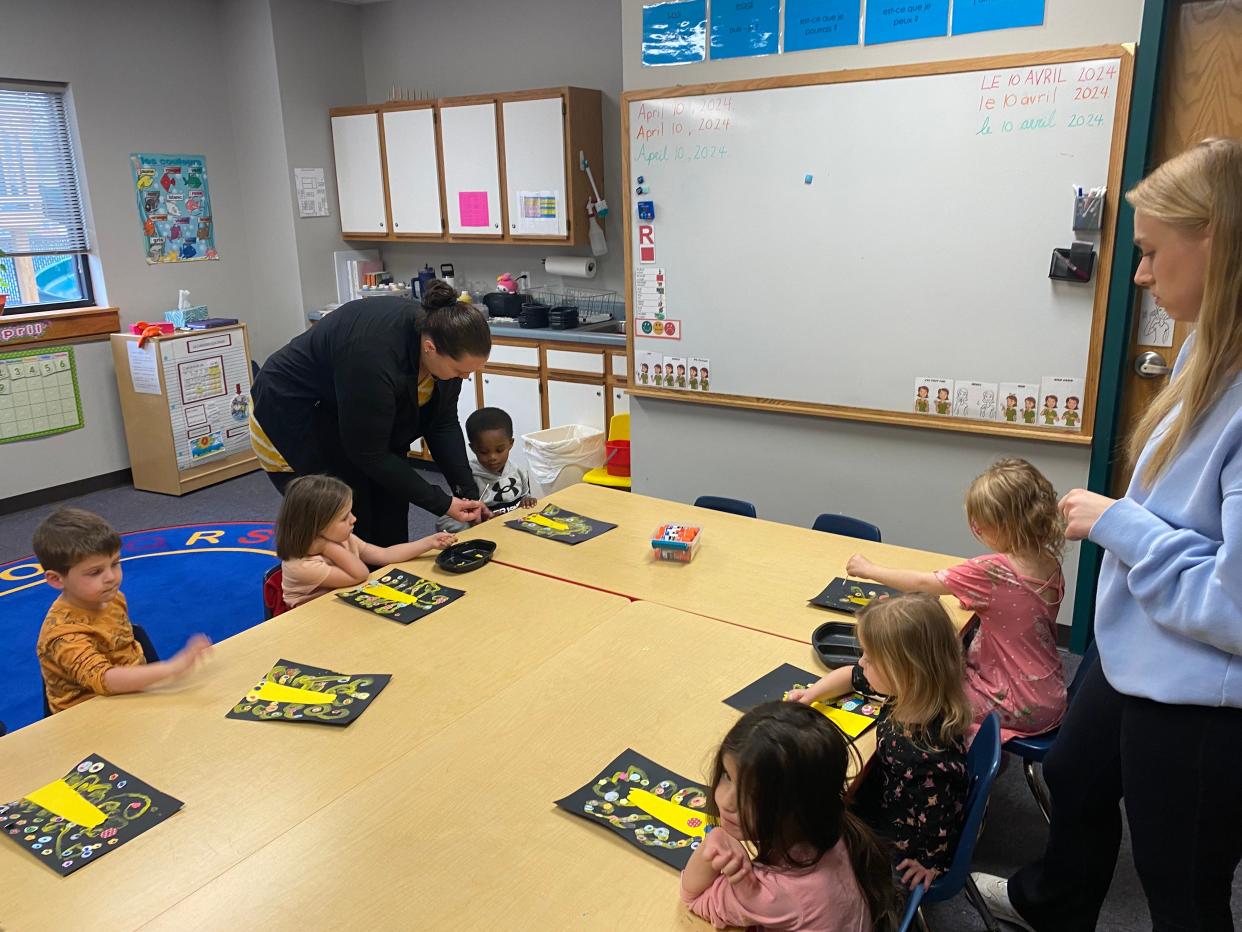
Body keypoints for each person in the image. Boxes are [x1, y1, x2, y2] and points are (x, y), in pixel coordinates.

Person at [973, 138, 1242, 932]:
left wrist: (1121, 524)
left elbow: (1234, 606)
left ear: (1217, 243)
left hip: (1201, 692)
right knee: (1074, 774)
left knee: (1181, 885)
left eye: (1154, 251)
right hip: (1138, 649)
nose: (1141, 275)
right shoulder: (1207, 348)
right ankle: (1050, 904)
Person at [249, 280, 490, 547]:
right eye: (460, 371)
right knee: (346, 519)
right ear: (430, 348)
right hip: (293, 412)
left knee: (391, 512)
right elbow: (368, 453)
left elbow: (441, 424)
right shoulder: (373, 354)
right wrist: (442, 503)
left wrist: (467, 492)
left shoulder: (442, 341)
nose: (465, 378)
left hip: (355, 415)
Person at [845, 458, 1067, 742]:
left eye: (979, 526)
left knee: (922, 685)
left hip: (1017, 701)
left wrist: (869, 569)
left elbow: (926, 584)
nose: (976, 532)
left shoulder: (993, 570)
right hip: (1049, 691)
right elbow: (1018, 609)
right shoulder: (1048, 561)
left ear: (1003, 526)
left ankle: (952, 753)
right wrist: (982, 600)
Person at [787, 594, 971, 891]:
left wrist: (931, 862)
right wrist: (810, 696)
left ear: (905, 671)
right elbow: (850, 675)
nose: (861, 662)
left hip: (901, 837)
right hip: (891, 795)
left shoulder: (924, 755)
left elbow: (942, 816)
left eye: (870, 659)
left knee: (807, 827)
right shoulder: (913, 693)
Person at [680, 701, 896, 931]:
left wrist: (714, 842)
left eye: (753, 795)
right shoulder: (832, 827)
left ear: (797, 809)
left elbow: (692, 897)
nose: (725, 800)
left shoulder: (775, 894)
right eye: (727, 775)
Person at [34, 508, 211, 714]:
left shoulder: (112, 598)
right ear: (56, 579)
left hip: (132, 698)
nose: (111, 577)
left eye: (115, 563)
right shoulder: (63, 635)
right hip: (87, 719)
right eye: (95, 572)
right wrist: (173, 667)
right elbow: (106, 679)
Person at [276, 474, 455, 608]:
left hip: (340, 610)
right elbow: (359, 574)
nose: (354, 519)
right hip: (309, 623)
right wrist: (327, 547)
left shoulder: (340, 538)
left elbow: (384, 554)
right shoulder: (302, 565)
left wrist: (428, 542)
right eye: (344, 518)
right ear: (317, 527)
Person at [464, 407, 537, 517]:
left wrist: (527, 500)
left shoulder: (518, 470)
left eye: (499, 450)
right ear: (473, 448)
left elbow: (525, 495)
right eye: (484, 452)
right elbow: (458, 516)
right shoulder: (468, 477)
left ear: (511, 443)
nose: (493, 457)